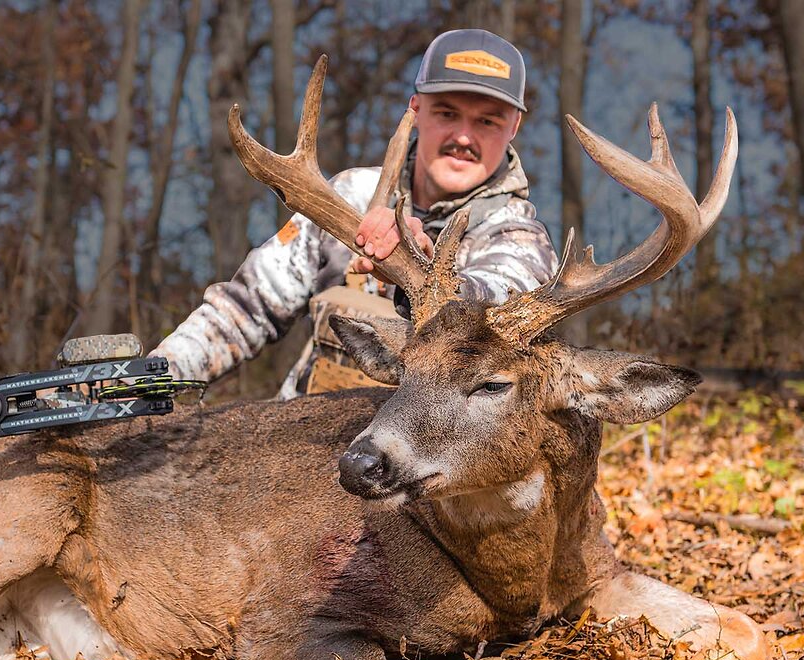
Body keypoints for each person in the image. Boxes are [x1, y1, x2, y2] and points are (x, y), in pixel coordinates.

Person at [153, 29, 558, 398]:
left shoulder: (519, 236)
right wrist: (156, 376)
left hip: (433, 462)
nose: (464, 137)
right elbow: (245, 309)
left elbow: (495, 308)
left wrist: (420, 271)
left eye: (487, 121)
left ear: (514, 127)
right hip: (300, 440)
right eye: (447, 113)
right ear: (415, 110)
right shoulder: (349, 195)